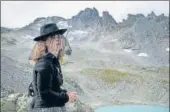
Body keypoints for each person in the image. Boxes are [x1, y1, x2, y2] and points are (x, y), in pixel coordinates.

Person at [28, 23, 77, 112]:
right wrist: (67, 97)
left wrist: (65, 93)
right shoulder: (44, 63)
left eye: (58, 36)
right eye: (52, 38)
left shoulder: (52, 61)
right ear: (44, 43)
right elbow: (45, 94)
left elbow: (52, 88)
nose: (58, 40)